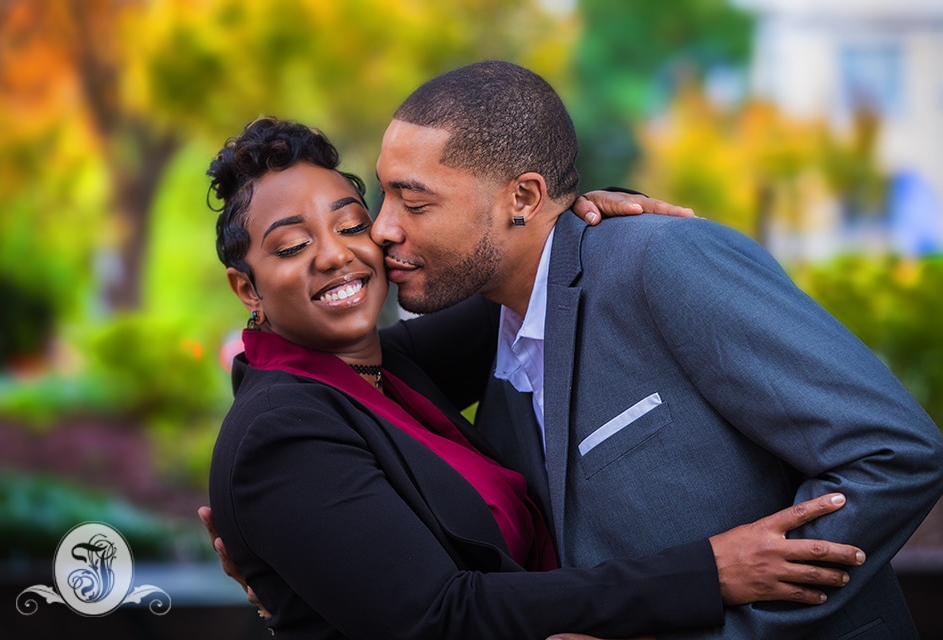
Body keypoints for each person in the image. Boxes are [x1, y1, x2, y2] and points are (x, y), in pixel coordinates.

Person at [203, 116, 865, 640]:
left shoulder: (388, 367)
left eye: (351, 224)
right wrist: (707, 574)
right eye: (291, 245)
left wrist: (573, 214)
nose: (335, 254)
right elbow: (438, 614)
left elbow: (528, 266)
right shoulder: (280, 433)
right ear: (246, 287)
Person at [367, 60, 943, 639]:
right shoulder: (497, 339)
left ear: (523, 195)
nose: (382, 228)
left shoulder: (661, 261)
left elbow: (894, 454)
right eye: (382, 195)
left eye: (414, 203)